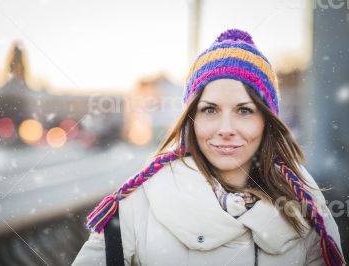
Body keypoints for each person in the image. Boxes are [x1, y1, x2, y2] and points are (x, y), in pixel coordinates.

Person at [72, 29, 345, 266]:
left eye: (244, 110)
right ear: (191, 119)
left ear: (267, 121)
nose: (225, 129)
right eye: (210, 110)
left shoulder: (305, 206)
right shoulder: (137, 205)